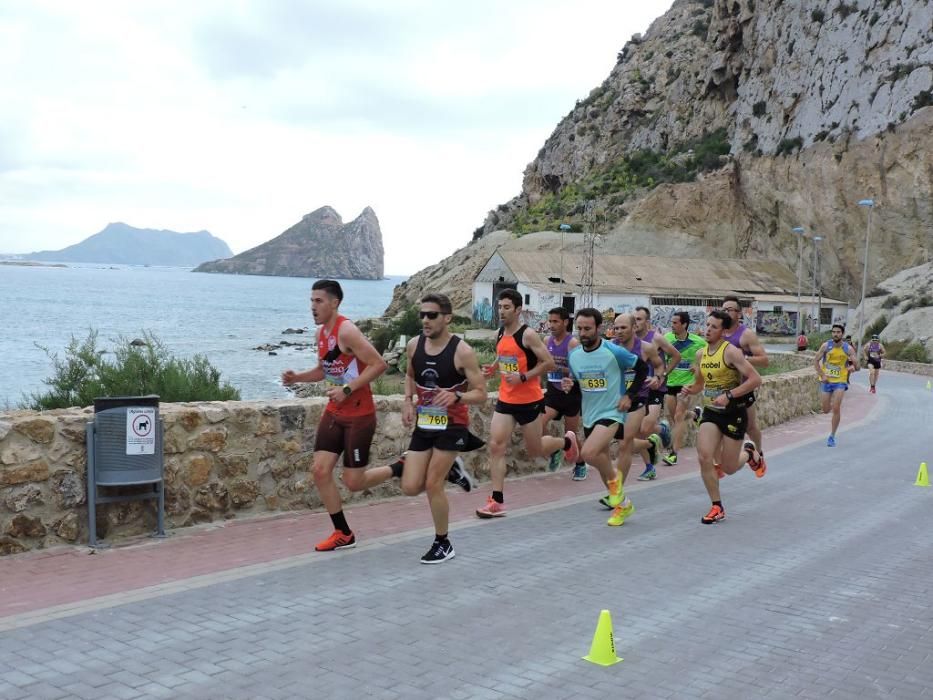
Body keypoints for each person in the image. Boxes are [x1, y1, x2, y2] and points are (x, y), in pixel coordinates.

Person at [281, 279, 391, 552]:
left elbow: (379, 364)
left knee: (353, 482)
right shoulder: (320, 335)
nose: (313, 306)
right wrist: (298, 378)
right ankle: (343, 532)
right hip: (334, 413)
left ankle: (400, 466)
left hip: (359, 415)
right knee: (320, 471)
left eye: (318, 301)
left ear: (335, 303)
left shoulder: (347, 330)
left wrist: (347, 388)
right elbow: (324, 370)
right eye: (311, 301)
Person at [400, 293, 488, 563]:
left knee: (432, 483)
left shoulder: (462, 352)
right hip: (426, 421)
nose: (425, 320)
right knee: (410, 486)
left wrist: (458, 396)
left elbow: (482, 393)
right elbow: (410, 375)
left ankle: (443, 542)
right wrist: (407, 400)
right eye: (422, 315)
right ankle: (454, 469)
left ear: (447, 318)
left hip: (453, 424)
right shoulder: (414, 345)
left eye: (432, 315)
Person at [476, 289, 578, 518]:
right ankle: (496, 501)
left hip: (529, 400)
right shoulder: (500, 333)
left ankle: (565, 442)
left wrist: (523, 377)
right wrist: (493, 368)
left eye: (506, 307)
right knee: (496, 446)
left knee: (535, 450)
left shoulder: (529, 334)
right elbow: (505, 354)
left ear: (518, 310)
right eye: (499, 307)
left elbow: (549, 363)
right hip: (505, 398)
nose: (501, 311)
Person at [563, 308, 647, 526]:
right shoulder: (574, 356)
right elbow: (579, 387)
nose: (583, 333)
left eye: (587, 328)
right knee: (602, 463)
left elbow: (642, 368)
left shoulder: (613, 351)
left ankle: (617, 487)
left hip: (612, 411)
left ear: (599, 328)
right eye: (579, 328)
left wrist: (629, 395)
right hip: (590, 414)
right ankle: (622, 505)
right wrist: (569, 386)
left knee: (589, 453)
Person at [680, 310, 763, 524]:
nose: (708, 330)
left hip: (734, 412)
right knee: (704, 457)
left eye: (714, 327)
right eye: (707, 325)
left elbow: (755, 379)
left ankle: (749, 452)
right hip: (711, 412)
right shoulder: (701, 354)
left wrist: (729, 395)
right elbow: (701, 384)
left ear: (724, 331)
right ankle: (717, 506)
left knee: (729, 468)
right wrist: (690, 389)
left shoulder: (731, 352)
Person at [612, 313, 664, 485]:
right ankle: (650, 443)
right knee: (615, 444)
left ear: (634, 328)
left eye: (623, 327)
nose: (619, 331)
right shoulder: (610, 347)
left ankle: (617, 490)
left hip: (638, 398)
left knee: (624, 444)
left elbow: (659, 365)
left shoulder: (646, 347)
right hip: (615, 400)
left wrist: (657, 378)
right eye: (616, 328)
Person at [719, 296, 770, 472]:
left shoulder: (745, 335)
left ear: (739, 313)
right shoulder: (716, 332)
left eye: (730, 309)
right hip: (719, 389)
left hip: (742, 389)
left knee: (750, 426)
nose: (726, 312)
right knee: (715, 425)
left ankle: (758, 454)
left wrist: (742, 358)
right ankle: (718, 463)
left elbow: (764, 360)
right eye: (723, 309)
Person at [541, 307, 587, 480]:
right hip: (553, 393)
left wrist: (559, 369)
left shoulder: (572, 343)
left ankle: (581, 463)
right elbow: (543, 364)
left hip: (571, 395)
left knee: (571, 435)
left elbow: (579, 371)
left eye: (555, 321)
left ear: (565, 322)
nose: (551, 325)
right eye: (550, 321)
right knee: (538, 421)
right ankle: (554, 449)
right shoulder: (546, 341)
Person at [633, 306, 681, 457]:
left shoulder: (656, 338)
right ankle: (661, 429)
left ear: (647, 322)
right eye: (633, 319)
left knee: (645, 427)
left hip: (654, 387)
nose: (635, 322)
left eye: (639, 319)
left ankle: (658, 435)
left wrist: (662, 376)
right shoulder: (629, 339)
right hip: (636, 388)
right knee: (638, 429)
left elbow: (676, 356)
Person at [660, 312, 707, 466]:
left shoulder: (698, 342)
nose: (672, 325)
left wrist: (698, 365)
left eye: (675, 323)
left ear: (684, 325)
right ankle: (695, 414)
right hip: (671, 383)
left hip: (688, 384)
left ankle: (673, 454)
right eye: (671, 322)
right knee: (673, 416)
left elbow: (709, 355)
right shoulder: (667, 339)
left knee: (679, 416)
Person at [814, 324, 860, 446]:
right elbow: (815, 361)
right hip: (826, 381)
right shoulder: (826, 346)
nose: (835, 334)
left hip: (840, 380)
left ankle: (832, 436)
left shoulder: (848, 348)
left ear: (842, 334)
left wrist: (852, 367)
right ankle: (828, 411)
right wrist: (822, 375)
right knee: (825, 410)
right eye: (834, 332)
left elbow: (858, 366)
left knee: (836, 408)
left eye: (838, 332)